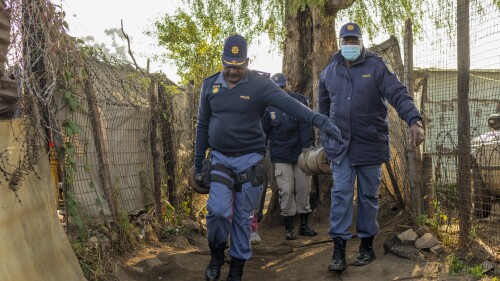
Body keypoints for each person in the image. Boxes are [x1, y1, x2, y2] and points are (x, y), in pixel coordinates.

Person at [194, 34, 342, 281]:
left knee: (242, 218)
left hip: (250, 160)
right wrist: (198, 163)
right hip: (219, 158)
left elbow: (290, 105)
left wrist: (320, 120)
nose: (232, 71)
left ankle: (237, 270)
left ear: (247, 62)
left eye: (238, 66)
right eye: (228, 65)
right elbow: (202, 125)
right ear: (222, 61)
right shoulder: (210, 86)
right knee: (218, 211)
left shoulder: (260, 85)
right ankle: (217, 254)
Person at [318, 22, 425, 272]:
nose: (351, 44)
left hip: (370, 143)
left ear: (361, 41)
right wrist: (326, 137)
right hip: (341, 147)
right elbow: (323, 109)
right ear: (340, 41)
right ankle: (339, 250)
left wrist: (414, 120)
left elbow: (398, 94)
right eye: (347, 40)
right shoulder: (329, 71)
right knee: (342, 194)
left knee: (368, 196)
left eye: (355, 40)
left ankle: (366, 246)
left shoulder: (377, 66)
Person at [262, 73, 317, 240]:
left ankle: (304, 225)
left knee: (303, 188)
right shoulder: (267, 107)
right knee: (286, 191)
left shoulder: (299, 101)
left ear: (288, 85)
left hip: (301, 153)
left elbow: (306, 126)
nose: (281, 90)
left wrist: (307, 150)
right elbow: (264, 131)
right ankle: (289, 228)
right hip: (280, 154)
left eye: (283, 86)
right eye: (277, 87)